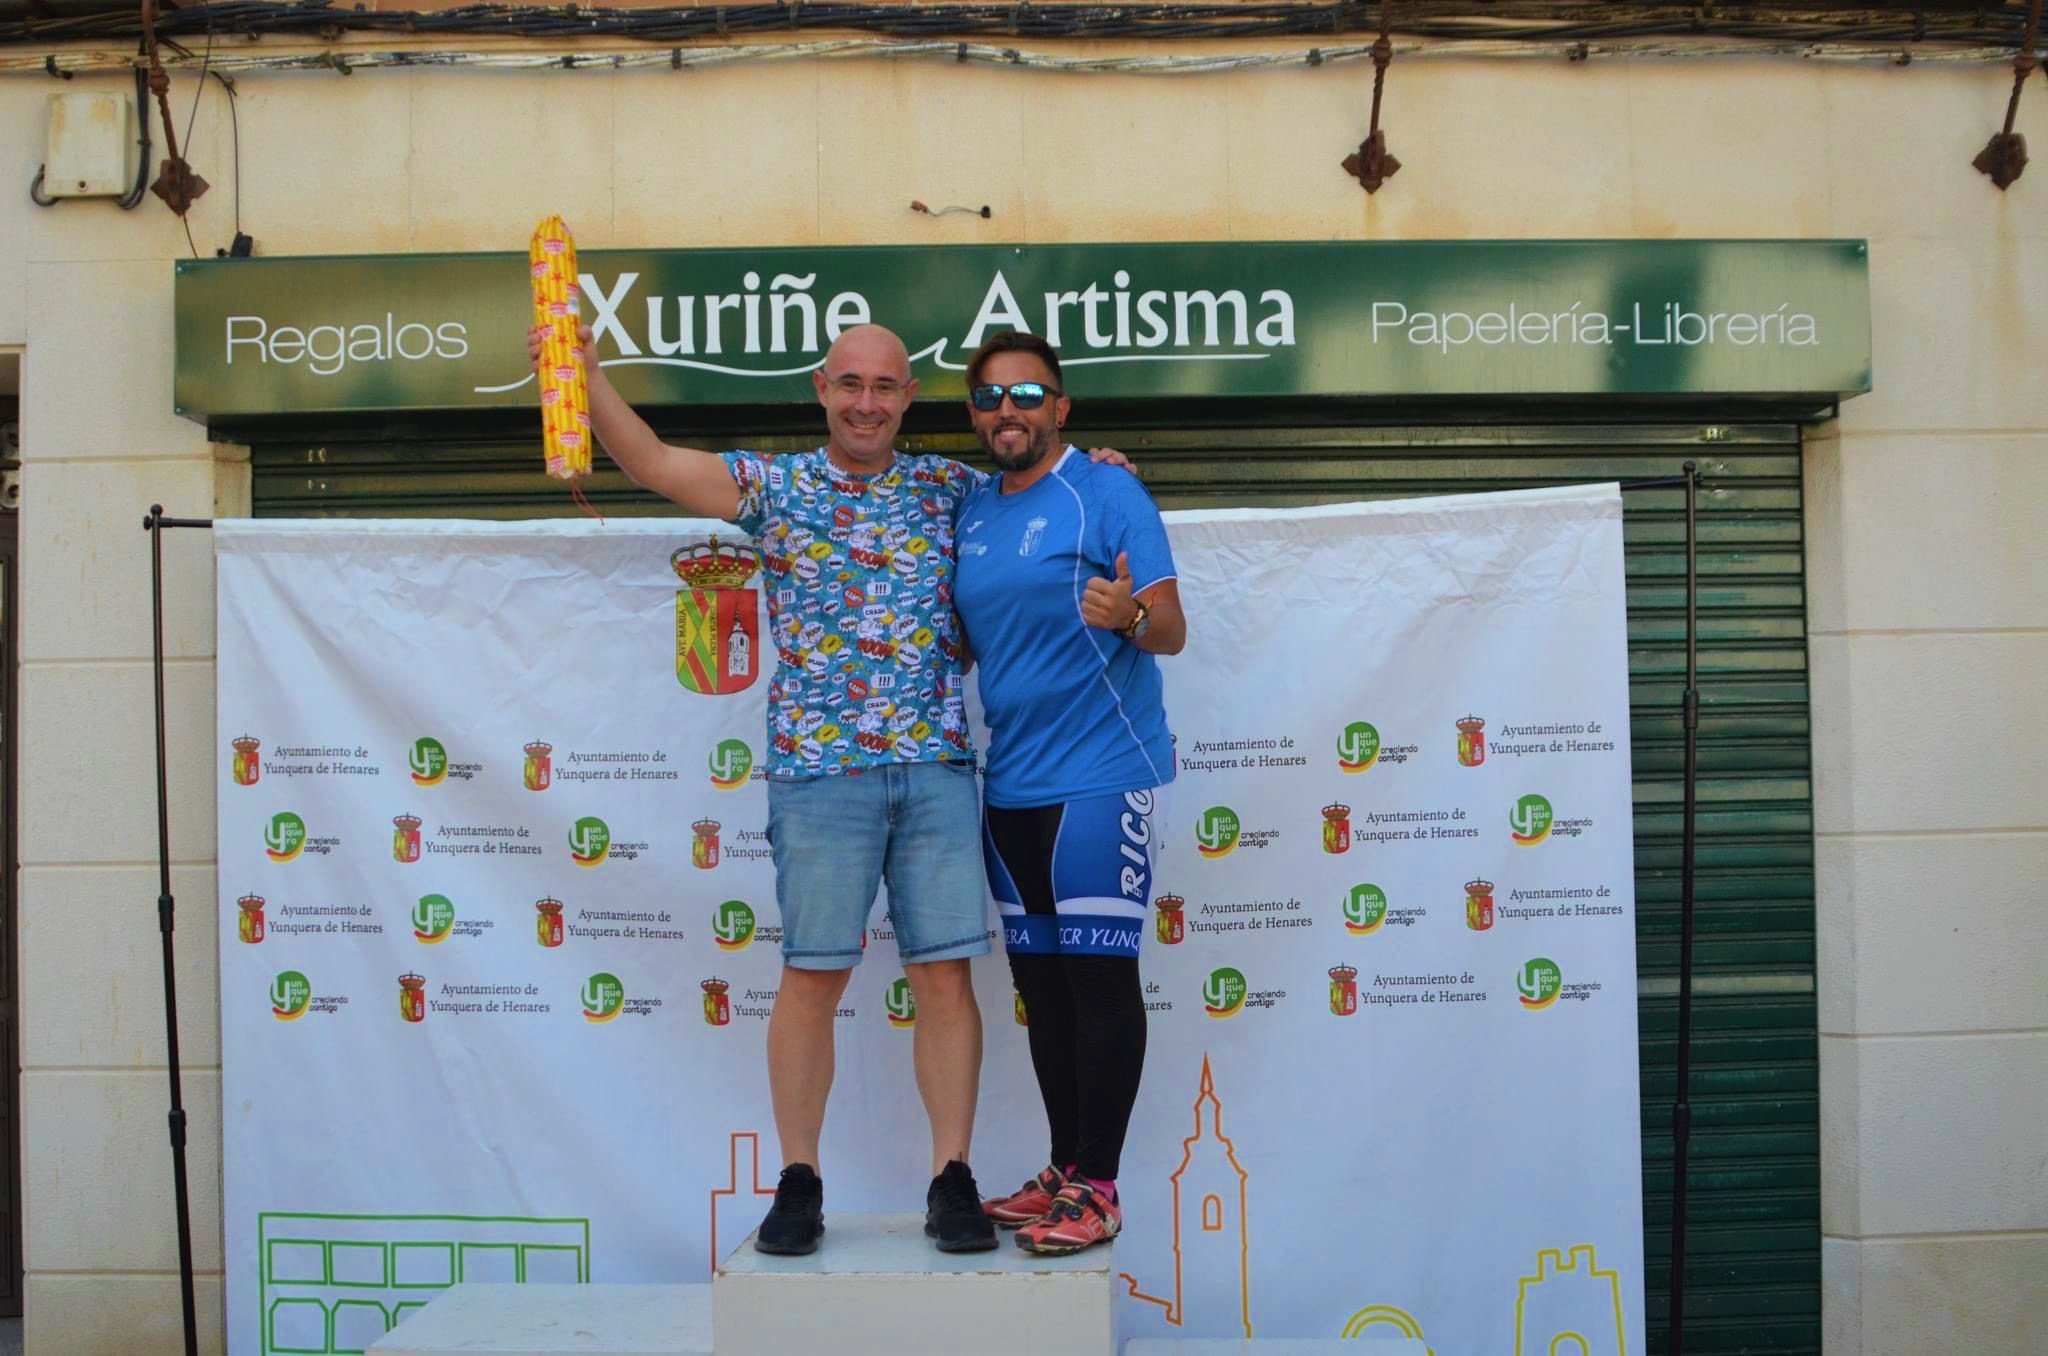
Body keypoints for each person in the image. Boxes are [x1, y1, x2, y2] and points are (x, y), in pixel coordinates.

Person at [949, 331, 1187, 1255]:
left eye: (1026, 393)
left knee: (1097, 984)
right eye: (988, 397)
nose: (1007, 410)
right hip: (1010, 782)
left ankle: (1100, 1185)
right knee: (1043, 993)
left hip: (1103, 774)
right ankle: (1063, 1169)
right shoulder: (969, 507)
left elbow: (1170, 627)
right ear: (974, 414)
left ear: (1060, 407)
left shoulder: (1108, 490)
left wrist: (1129, 614)